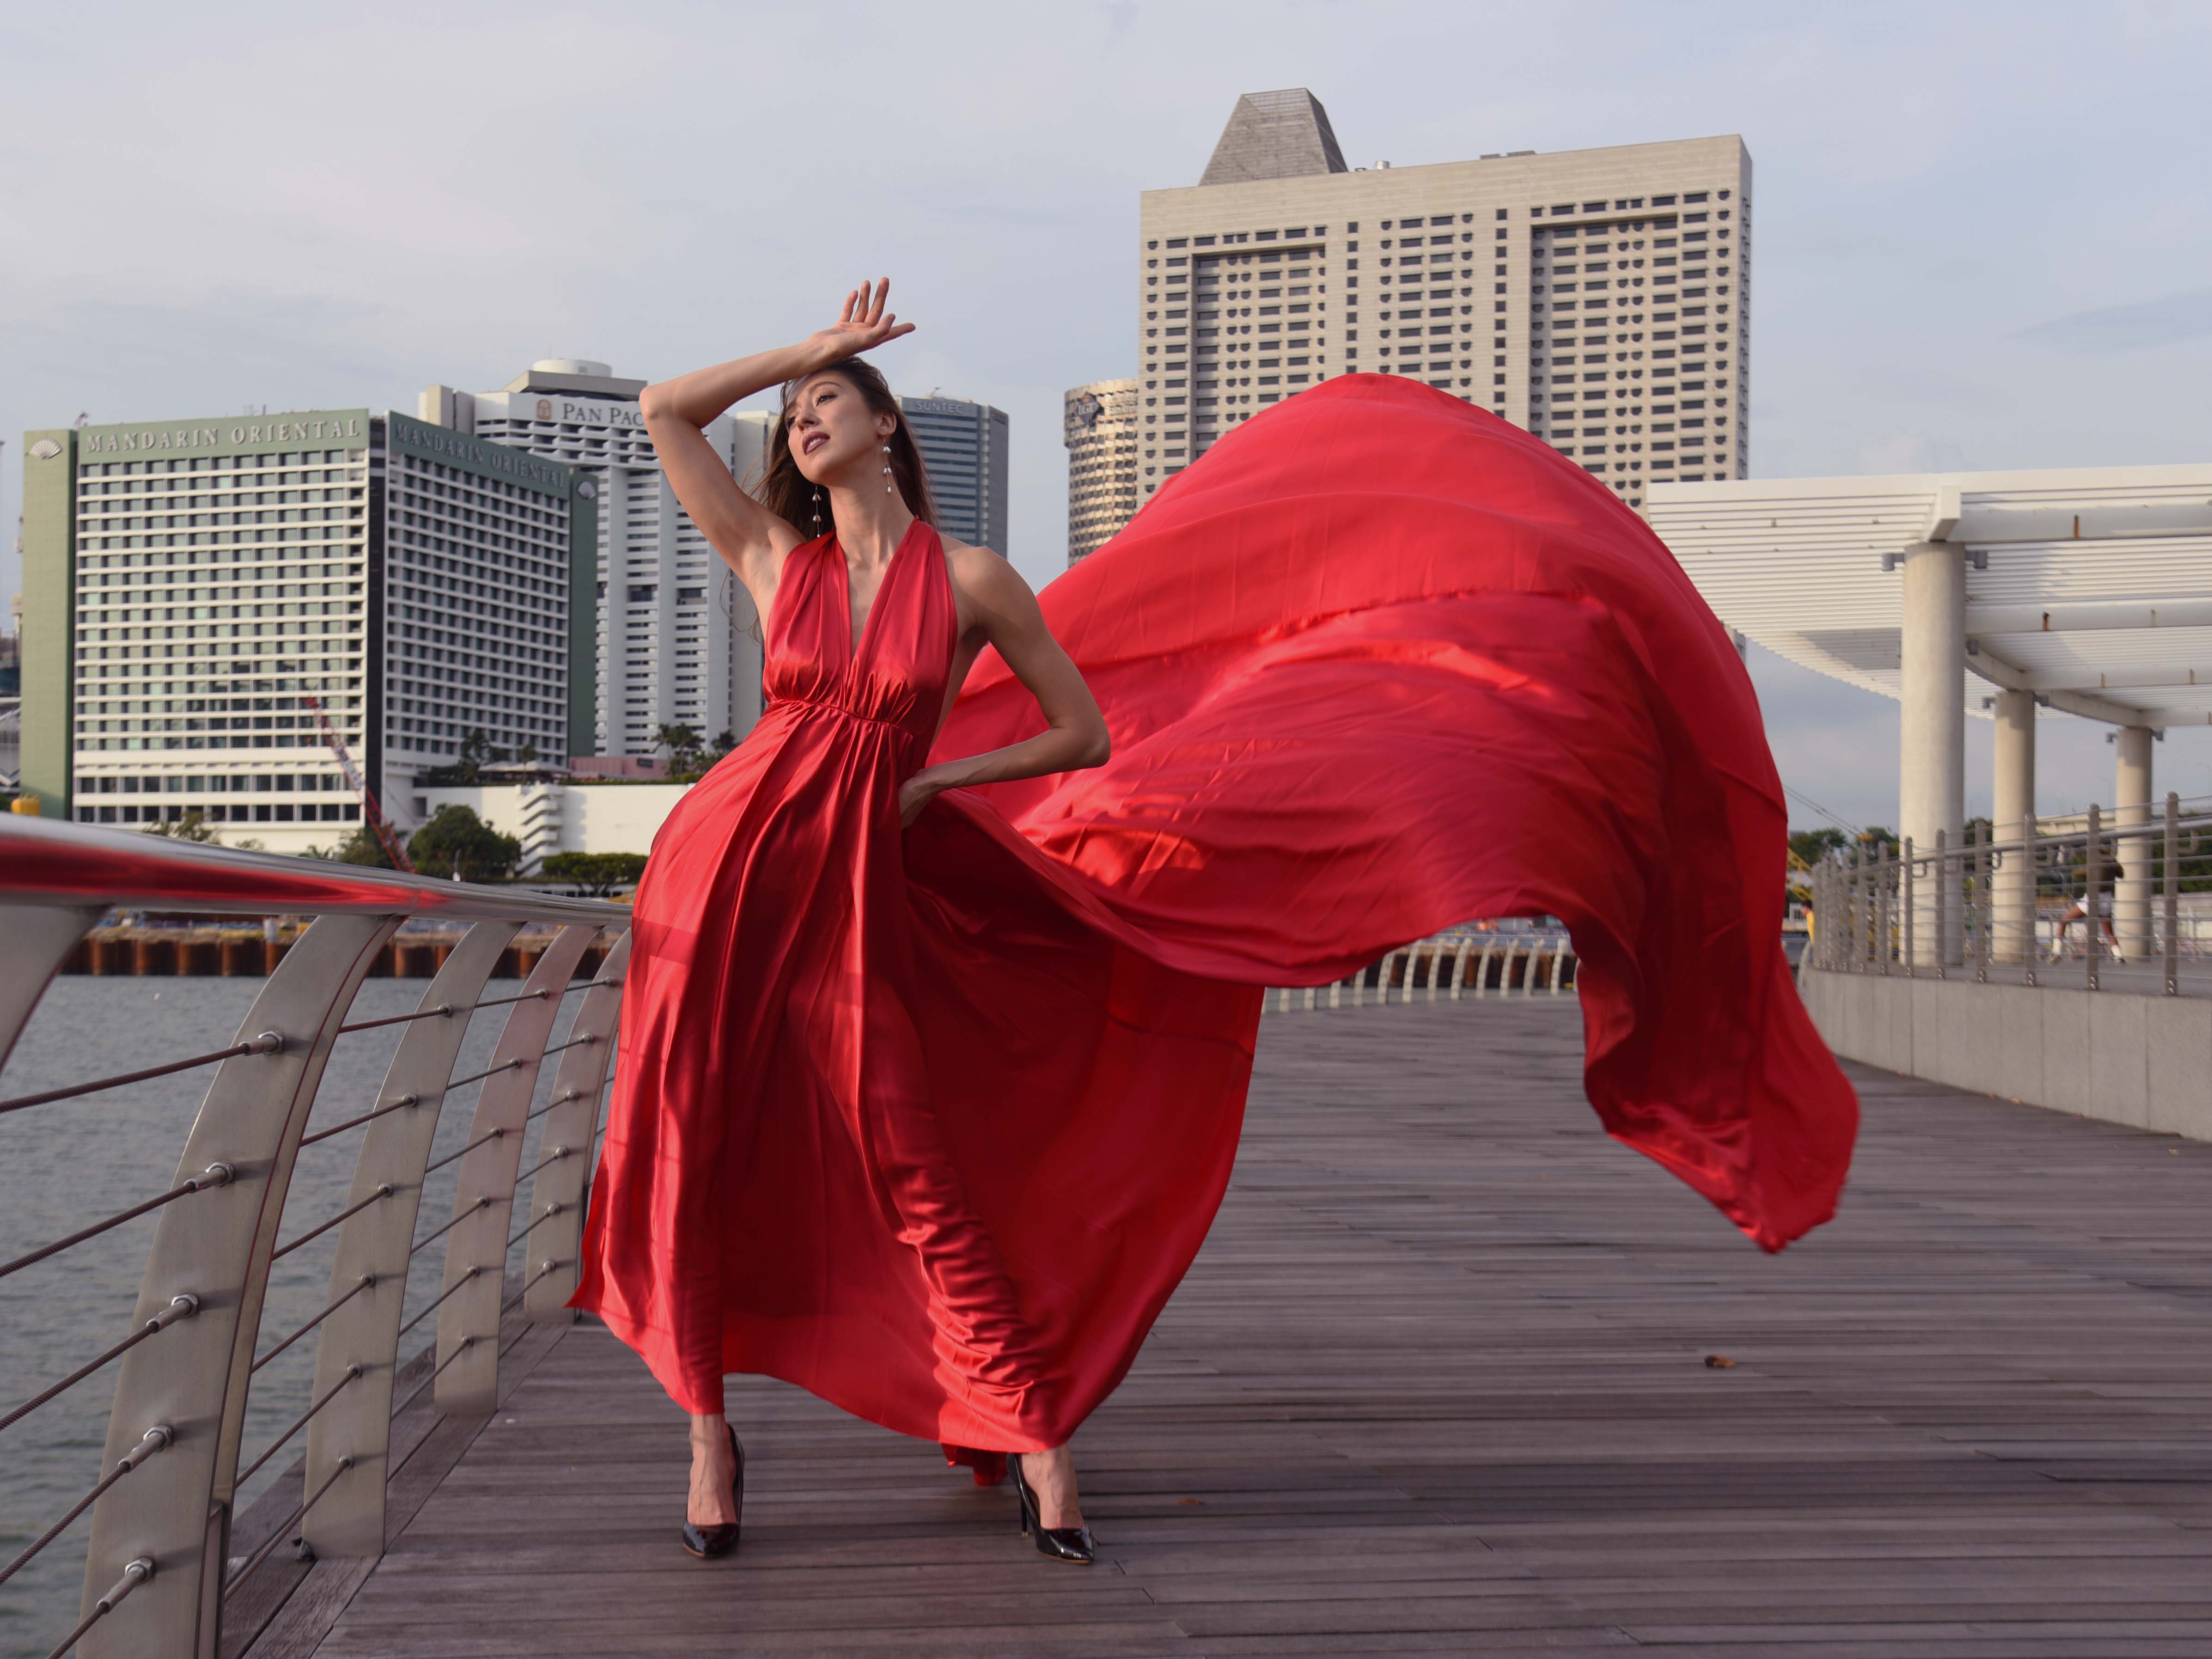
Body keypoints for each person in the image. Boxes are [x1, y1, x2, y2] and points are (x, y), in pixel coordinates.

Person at [573, 281, 1862, 1570]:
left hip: (859, 886)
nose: (801, 420)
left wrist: (933, 783)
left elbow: (1082, 733)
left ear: (883, 426)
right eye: (793, 411)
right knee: (698, 1135)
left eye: (826, 401)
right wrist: (807, 345)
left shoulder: (968, 581)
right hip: (723, 867)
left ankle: (1034, 1437)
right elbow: (662, 410)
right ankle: (708, 1438)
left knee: (912, 1163)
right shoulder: (772, 562)